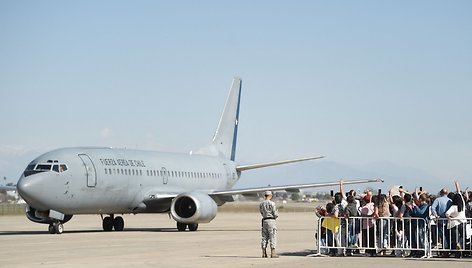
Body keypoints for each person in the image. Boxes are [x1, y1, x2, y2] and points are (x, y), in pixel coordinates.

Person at [260, 190, 279, 258]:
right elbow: (275, 213)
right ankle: (273, 252)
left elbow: (261, 212)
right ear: (270, 196)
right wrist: (275, 216)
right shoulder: (272, 203)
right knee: (272, 236)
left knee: (264, 237)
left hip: (264, 220)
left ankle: (264, 252)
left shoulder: (261, 204)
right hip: (271, 220)